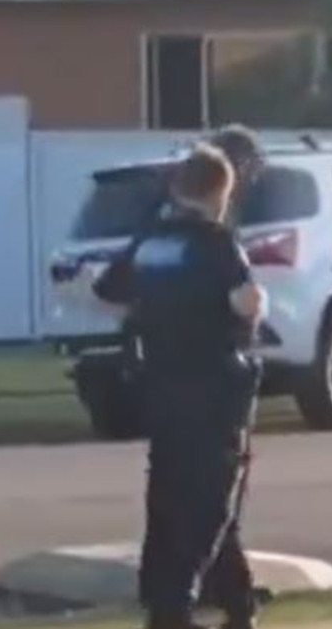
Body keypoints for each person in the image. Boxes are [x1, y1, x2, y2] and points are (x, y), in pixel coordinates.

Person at [94, 144, 267, 629]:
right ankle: (175, 603)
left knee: (172, 492)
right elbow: (244, 302)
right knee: (213, 496)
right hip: (216, 384)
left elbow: (108, 293)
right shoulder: (216, 242)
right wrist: (259, 306)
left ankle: (238, 605)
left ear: (177, 188)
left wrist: (154, 313)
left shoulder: (151, 241)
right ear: (222, 193)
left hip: (164, 383)